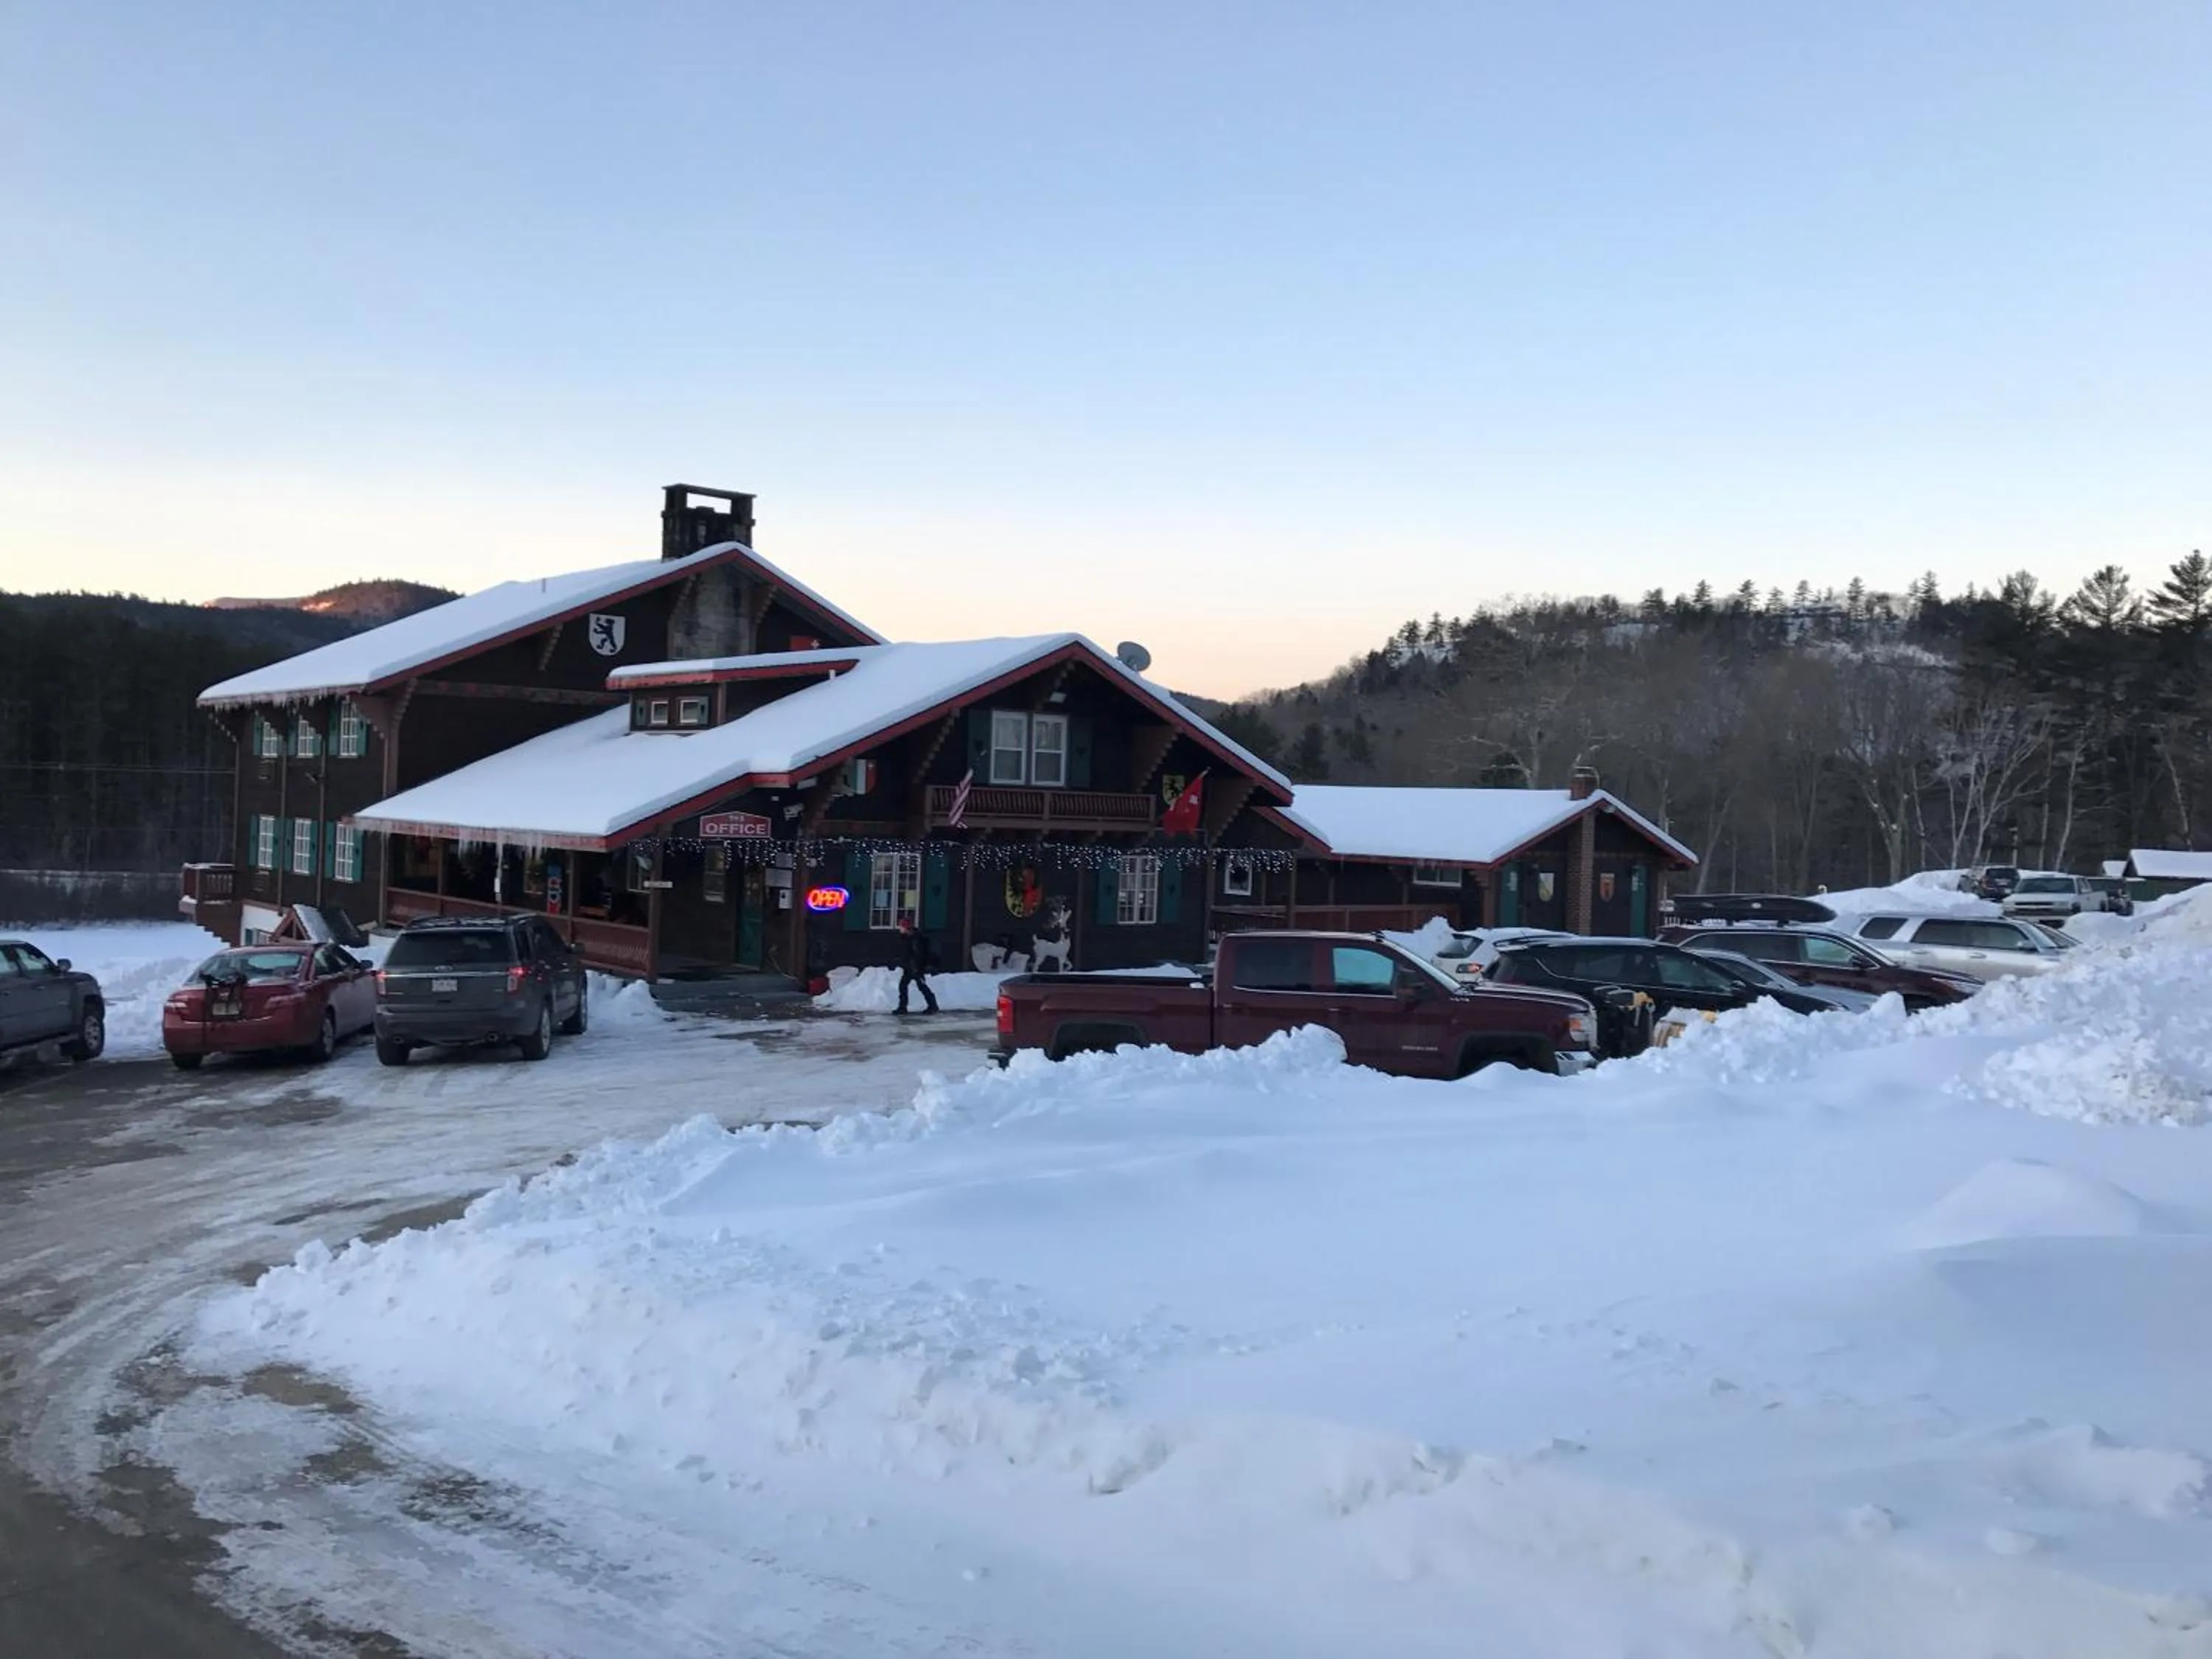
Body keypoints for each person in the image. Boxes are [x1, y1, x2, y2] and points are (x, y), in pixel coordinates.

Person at [897, 918, 939, 1015]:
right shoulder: (906, 938)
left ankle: (933, 1006)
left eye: (901, 927)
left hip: (915, 968)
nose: (900, 929)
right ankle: (902, 1007)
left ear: (906, 928)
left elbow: (918, 955)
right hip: (909, 967)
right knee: (903, 986)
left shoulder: (916, 939)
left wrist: (917, 968)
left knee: (922, 986)